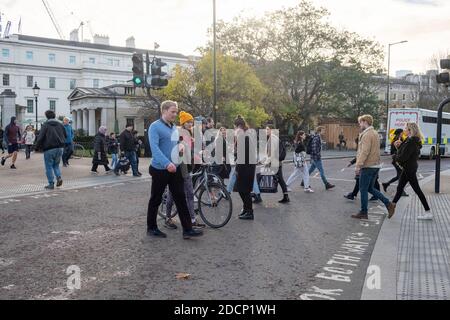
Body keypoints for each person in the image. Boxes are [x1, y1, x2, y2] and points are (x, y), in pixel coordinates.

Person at [146, 100, 203, 239]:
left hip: (175, 168)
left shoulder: (173, 128)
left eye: (175, 112)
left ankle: (188, 229)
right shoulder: (155, 127)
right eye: (172, 112)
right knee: (156, 199)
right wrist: (167, 164)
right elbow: (155, 149)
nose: (175, 114)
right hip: (160, 169)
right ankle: (151, 228)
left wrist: (185, 151)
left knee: (181, 198)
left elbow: (176, 145)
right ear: (164, 111)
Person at [165, 111, 206, 230]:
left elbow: (191, 152)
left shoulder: (189, 133)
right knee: (172, 194)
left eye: (191, 122)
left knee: (189, 193)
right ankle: (168, 217)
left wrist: (199, 157)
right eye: (188, 122)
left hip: (186, 167)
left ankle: (192, 220)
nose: (190, 123)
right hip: (177, 167)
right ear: (183, 122)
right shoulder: (178, 133)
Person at [352, 115, 396, 220]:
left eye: (360, 122)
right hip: (375, 165)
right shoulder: (375, 133)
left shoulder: (367, 134)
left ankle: (364, 212)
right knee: (370, 188)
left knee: (363, 189)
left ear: (365, 122)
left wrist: (358, 165)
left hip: (368, 166)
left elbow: (364, 151)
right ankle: (389, 204)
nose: (359, 124)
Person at [391, 122, 431, 220]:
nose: (404, 130)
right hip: (409, 168)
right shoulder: (412, 140)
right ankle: (392, 206)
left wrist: (394, 155)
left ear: (410, 130)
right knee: (400, 188)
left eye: (405, 128)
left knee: (417, 190)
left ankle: (428, 212)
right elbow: (406, 153)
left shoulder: (411, 141)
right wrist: (398, 147)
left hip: (409, 169)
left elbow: (403, 157)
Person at [34, 110, 66, 190]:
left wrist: (36, 147)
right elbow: (65, 135)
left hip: (49, 148)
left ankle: (51, 183)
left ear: (46, 116)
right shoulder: (60, 124)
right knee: (56, 165)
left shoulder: (45, 125)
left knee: (49, 166)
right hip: (60, 148)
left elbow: (40, 137)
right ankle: (59, 177)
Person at [234, 116, 257, 220]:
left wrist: (237, 169)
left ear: (240, 127)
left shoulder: (244, 137)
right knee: (242, 190)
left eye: (235, 128)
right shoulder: (245, 136)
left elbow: (242, 156)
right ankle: (246, 209)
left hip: (246, 168)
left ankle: (249, 212)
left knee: (244, 190)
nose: (234, 130)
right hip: (247, 167)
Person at [264, 125, 290, 203]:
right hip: (276, 162)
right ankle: (286, 196)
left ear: (272, 130)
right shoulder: (272, 138)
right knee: (280, 179)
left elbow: (271, 153)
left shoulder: (273, 139)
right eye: (266, 129)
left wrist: (267, 162)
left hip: (275, 162)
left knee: (279, 179)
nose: (266, 131)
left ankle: (257, 194)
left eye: (268, 129)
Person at [382, 129, 408, 197]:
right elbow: (398, 151)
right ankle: (401, 191)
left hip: (397, 160)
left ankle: (386, 184)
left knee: (399, 176)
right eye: (402, 132)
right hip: (397, 160)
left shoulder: (398, 138)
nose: (403, 133)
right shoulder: (398, 140)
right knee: (401, 176)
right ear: (400, 133)